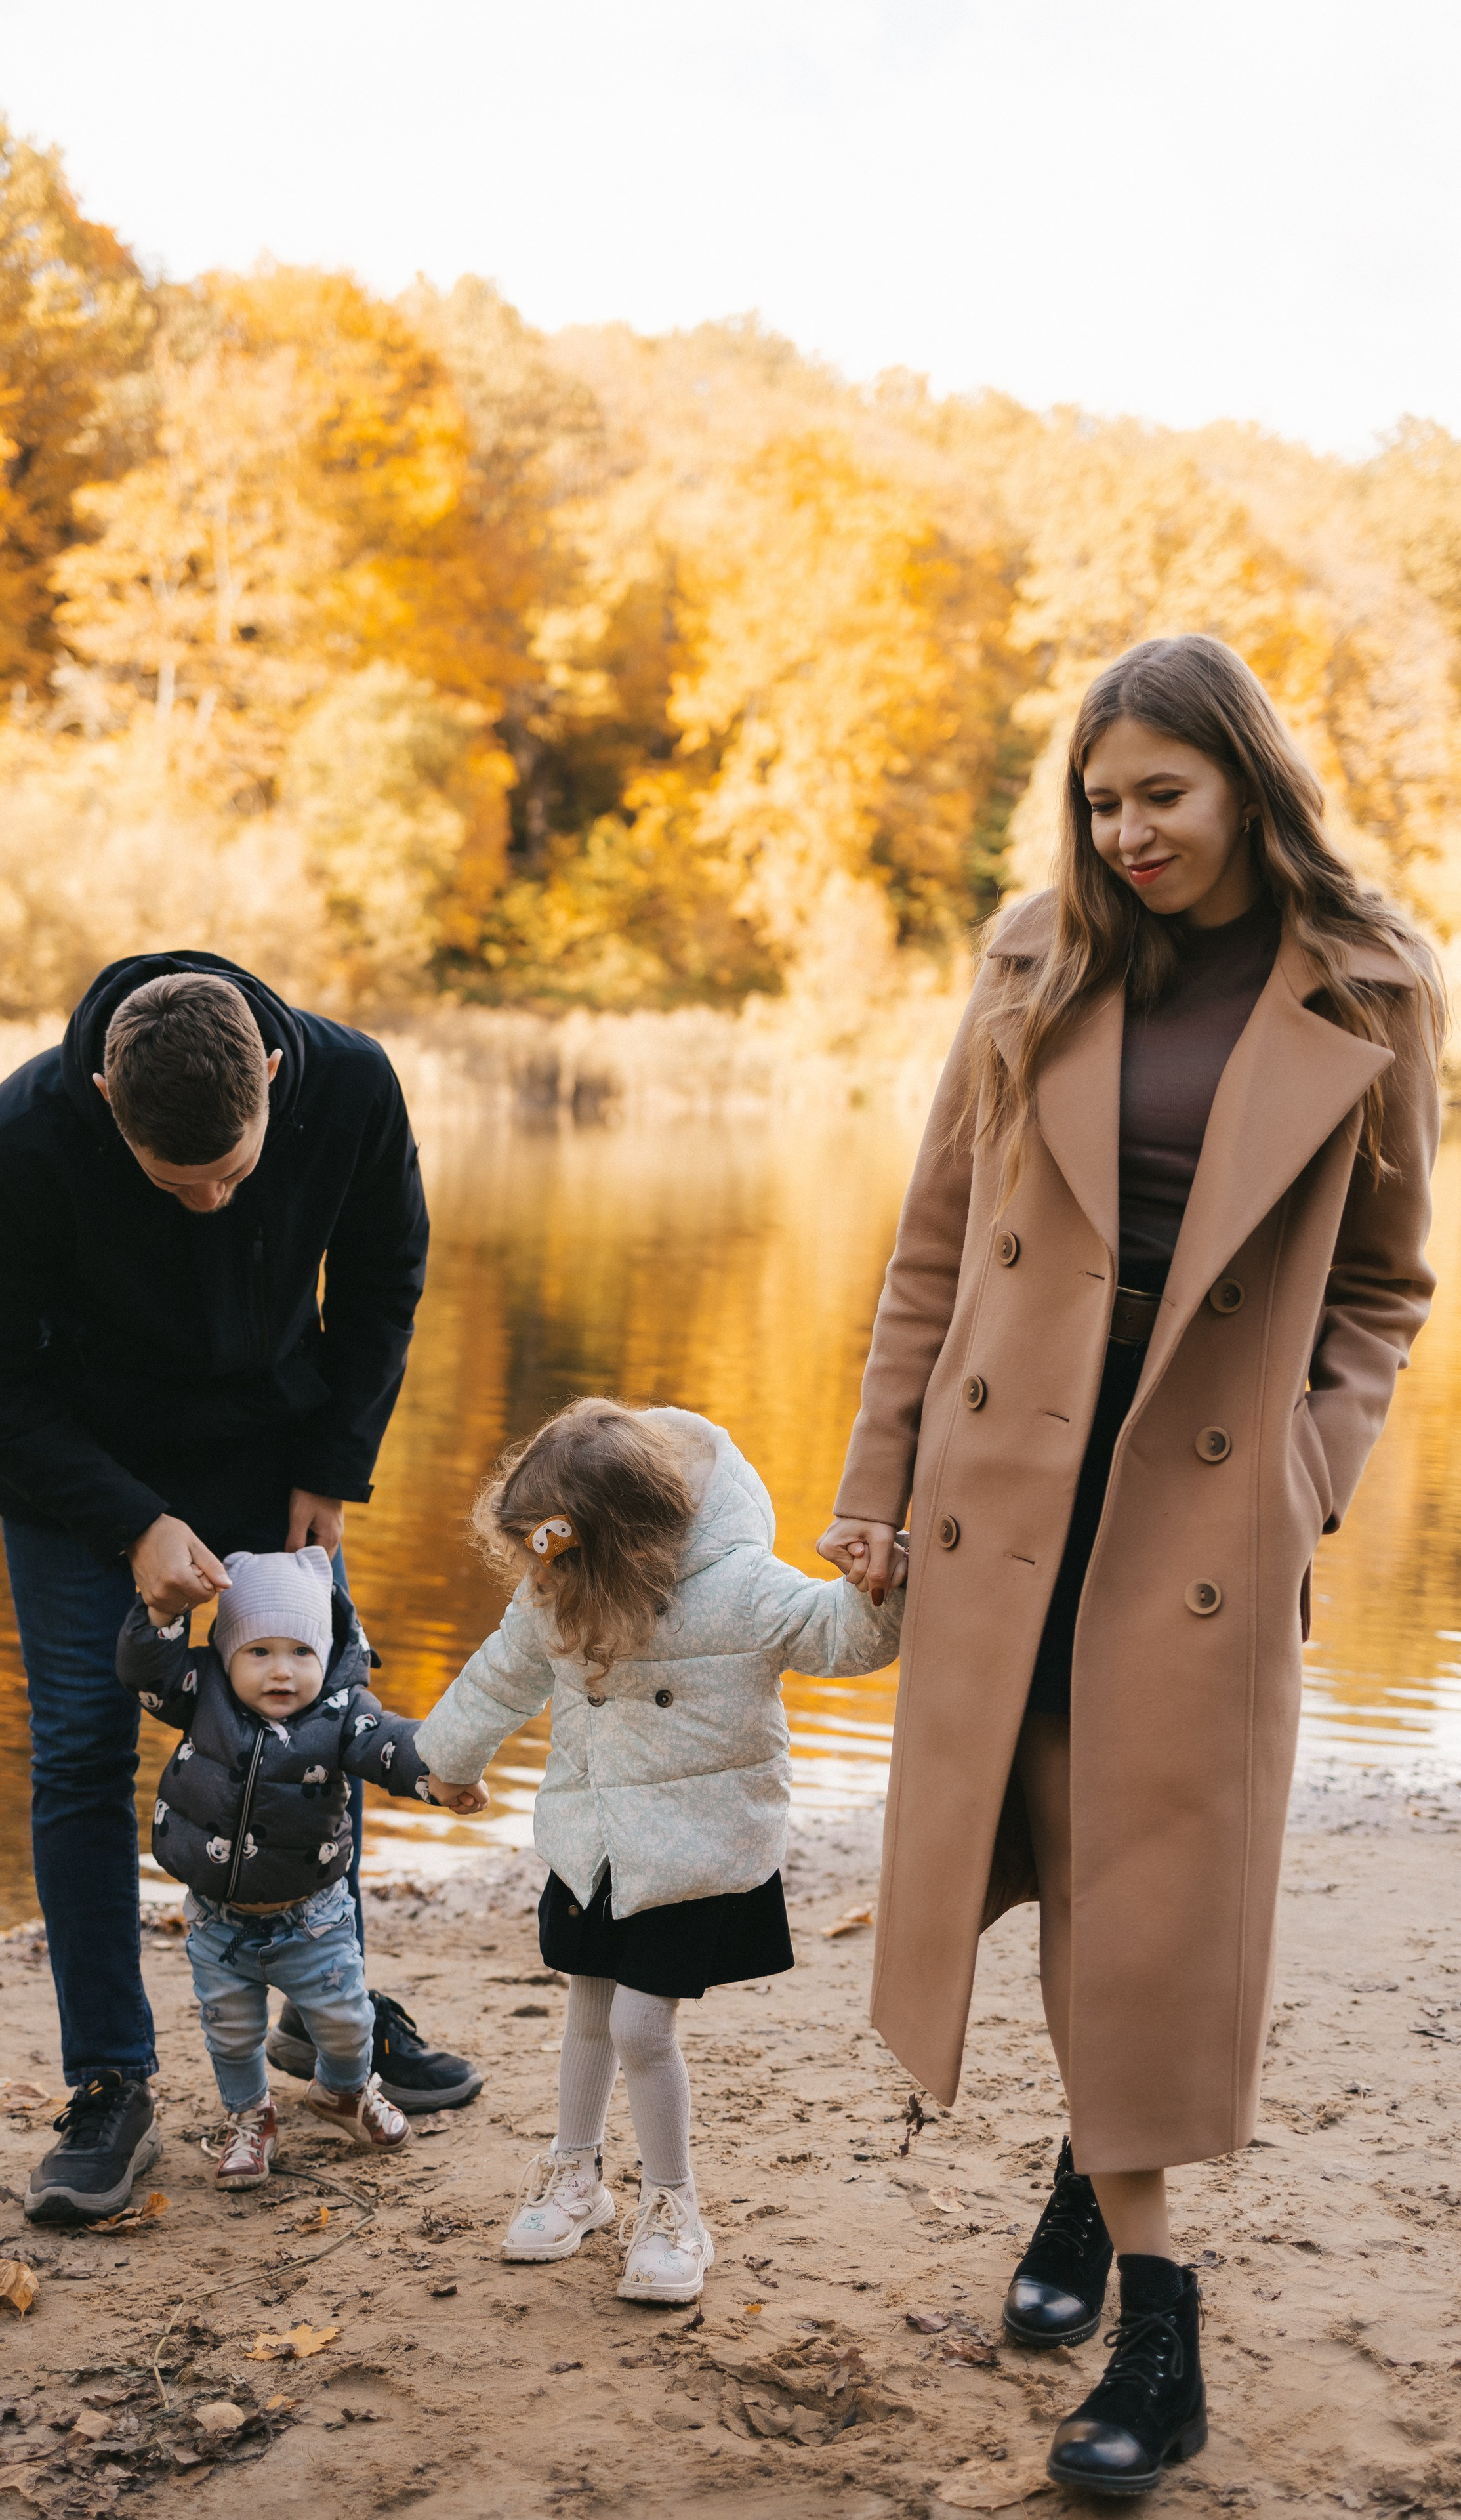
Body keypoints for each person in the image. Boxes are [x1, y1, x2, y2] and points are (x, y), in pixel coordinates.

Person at [819, 635, 1443, 2494]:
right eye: (1101, 801)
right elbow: (935, 1247)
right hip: (1009, 1490)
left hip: (1202, 1509)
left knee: (1147, 1900)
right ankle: (1091, 2198)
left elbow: (1386, 1284)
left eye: (1161, 794)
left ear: (1248, 784)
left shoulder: (1375, 985)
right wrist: (873, 1482)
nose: (1127, 831)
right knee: (1061, 1869)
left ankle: (1154, 2333)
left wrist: (1305, 1479)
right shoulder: (1039, 952)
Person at [0, 952, 480, 2225]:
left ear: (272, 1079)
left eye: (235, 1172)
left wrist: (334, 1464)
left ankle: (323, 2017)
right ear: (106, 1092)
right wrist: (130, 1524)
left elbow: (385, 1276)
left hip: (272, 1458)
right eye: (180, 1185)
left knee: (313, 1729)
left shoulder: (348, 1086)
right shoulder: (14, 1144)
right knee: (78, 1753)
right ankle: (110, 2083)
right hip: (81, 1482)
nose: (215, 1204)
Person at [413, 1396, 905, 2304]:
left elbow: (841, 1637)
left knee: (642, 2027)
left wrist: (884, 1581)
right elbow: (500, 1675)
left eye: (556, 1560)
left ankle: (675, 2207)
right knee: (588, 2012)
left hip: (693, 1851)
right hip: (593, 1842)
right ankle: (575, 2177)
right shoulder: (557, 1586)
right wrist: (445, 1762)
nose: (542, 1583)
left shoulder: (740, 1587)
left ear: (624, 1541)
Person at [116, 1545, 485, 2191]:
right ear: (226, 1655)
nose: (281, 1671)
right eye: (258, 1652)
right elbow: (145, 1671)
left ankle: (343, 2092)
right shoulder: (201, 1698)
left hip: (313, 1920)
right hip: (219, 1924)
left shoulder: (342, 1714)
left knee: (345, 2022)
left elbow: (394, 1746)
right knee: (231, 2034)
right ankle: (250, 2119)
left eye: (301, 1652)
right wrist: (161, 1613)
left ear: (325, 1656)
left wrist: (441, 1780)